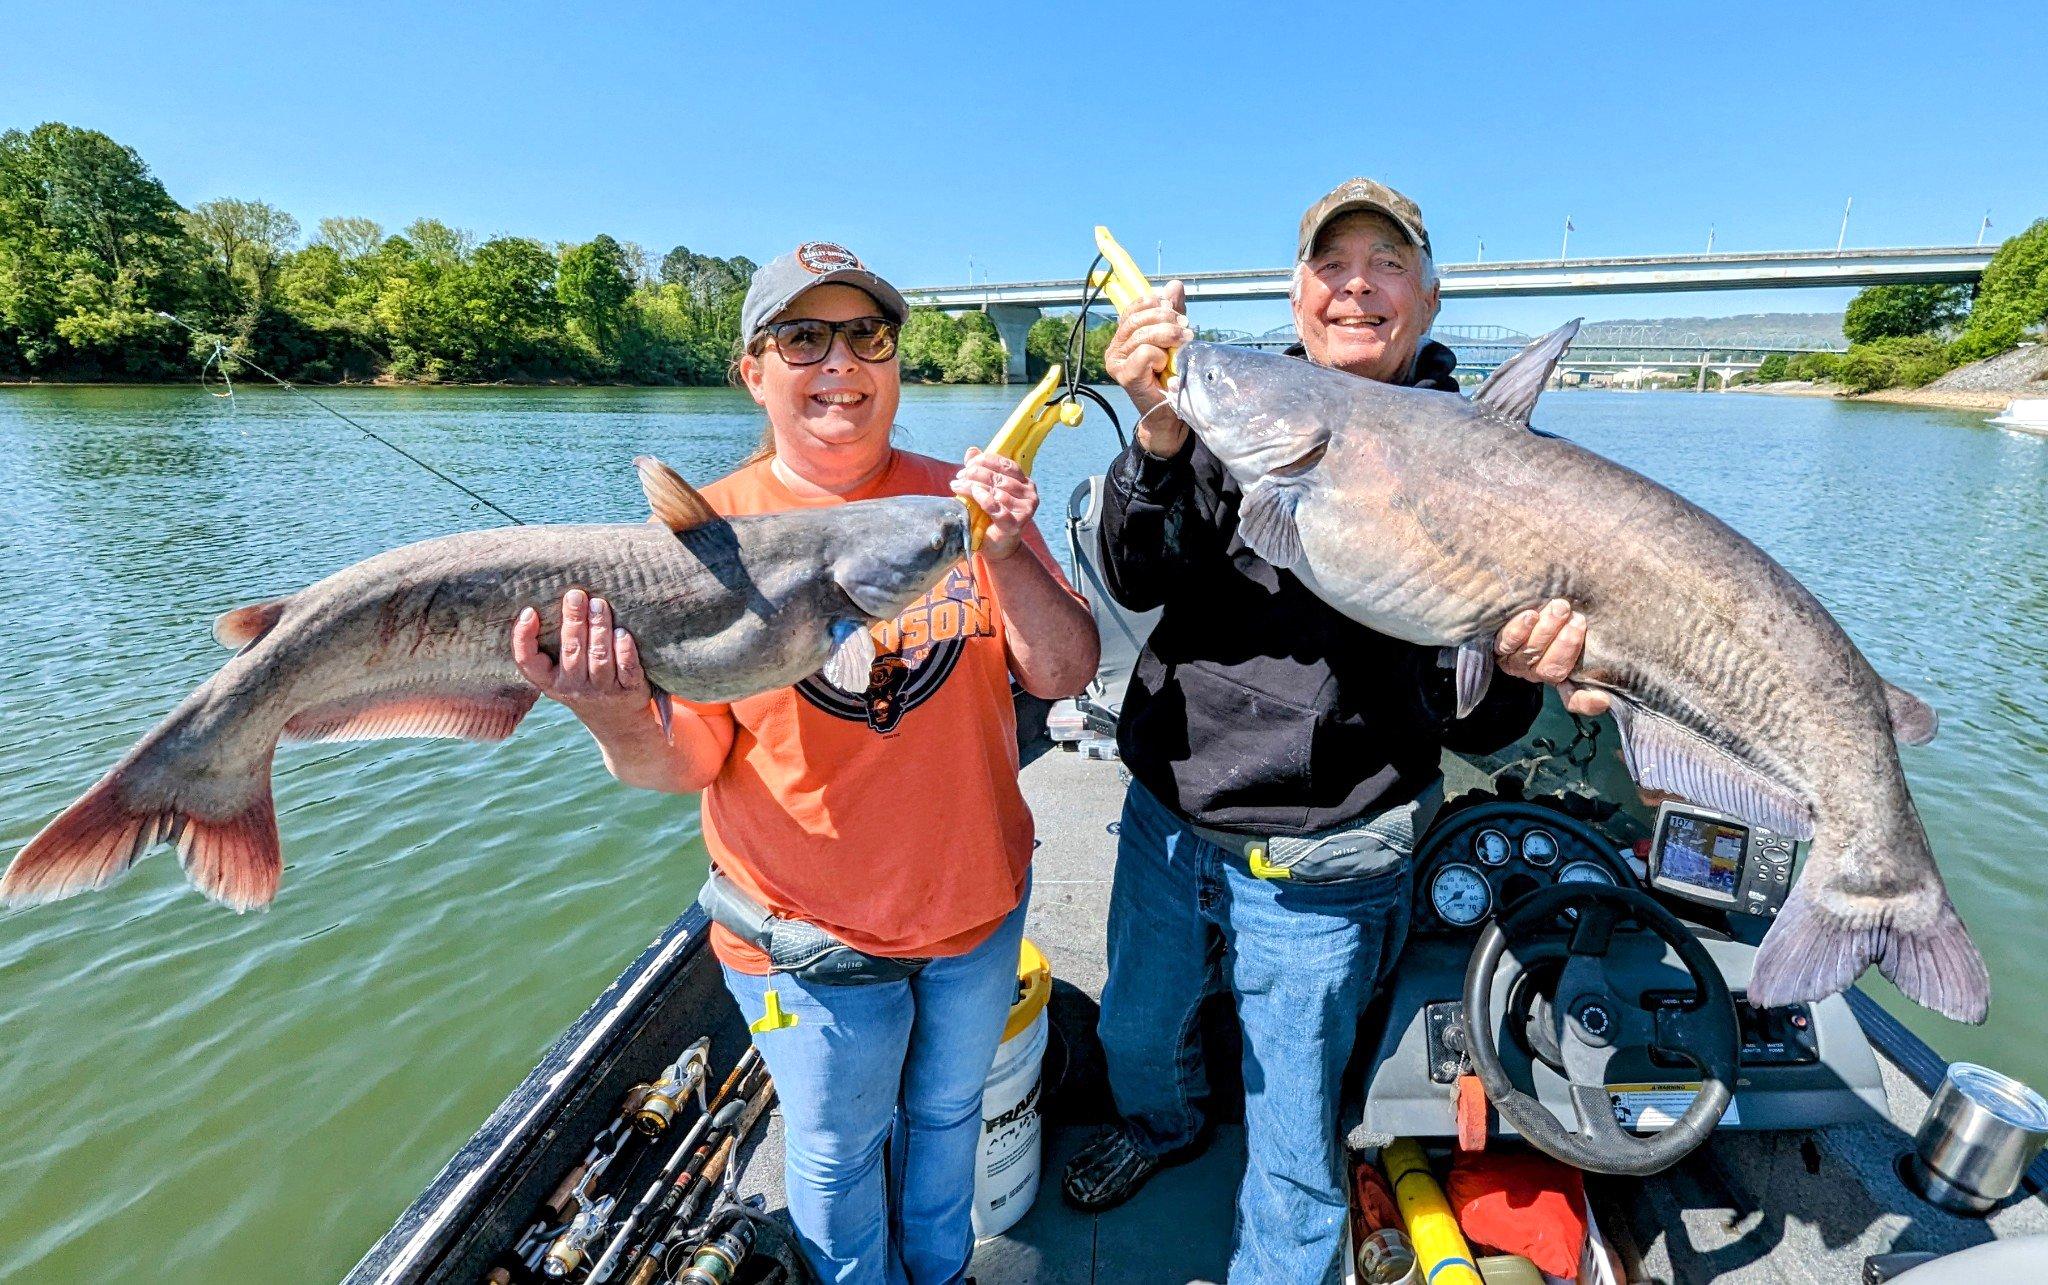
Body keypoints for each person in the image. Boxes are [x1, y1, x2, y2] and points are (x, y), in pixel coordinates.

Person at [510, 243, 1099, 1285]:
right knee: (830, 1151)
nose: (838, 362)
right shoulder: (709, 533)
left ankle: (940, 1268)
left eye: (865, 335)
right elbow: (686, 757)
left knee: (951, 1115)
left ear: (894, 361)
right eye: (802, 337)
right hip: (807, 941)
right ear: (753, 370)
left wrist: (1005, 550)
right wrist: (610, 713)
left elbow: (1058, 674)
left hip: (975, 907)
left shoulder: (959, 505)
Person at [1063, 179, 1606, 1282]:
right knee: (1133, 1034)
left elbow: (1489, 726)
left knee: (1293, 1118)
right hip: (1171, 812)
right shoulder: (1243, 401)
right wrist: (1161, 438)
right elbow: (1132, 569)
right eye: (1329, 265)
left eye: (1386, 263)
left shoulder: (1501, 462)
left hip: (1329, 852)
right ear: (1297, 293)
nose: (1355, 286)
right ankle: (1163, 1130)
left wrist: (1519, 661)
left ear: (1432, 297)